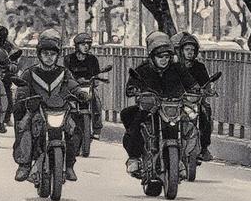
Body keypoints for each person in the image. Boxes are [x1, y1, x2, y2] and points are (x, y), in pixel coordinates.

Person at [12, 31, 88, 183]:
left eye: (52, 54)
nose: (49, 57)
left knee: (73, 129)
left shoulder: (63, 72)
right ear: (39, 54)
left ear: (57, 56)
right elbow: (22, 87)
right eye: (45, 53)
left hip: (60, 110)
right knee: (24, 127)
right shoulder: (30, 73)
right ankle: (24, 164)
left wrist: (80, 92)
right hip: (37, 111)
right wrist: (22, 95)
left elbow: (72, 84)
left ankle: (69, 165)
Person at [121, 31, 198, 177]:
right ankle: (134, 158)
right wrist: (134, 89)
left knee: (189, 124)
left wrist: (197, 89)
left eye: (167, 57)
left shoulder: (177, 68)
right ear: (152, 56)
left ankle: (181, 160)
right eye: (160, 56)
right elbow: (132, 83)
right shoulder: (143, 69)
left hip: (173, 108)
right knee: (132, 118)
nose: (164, 60)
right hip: (150, 108)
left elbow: (190, 83)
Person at [173, 32, 214, 161]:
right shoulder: (174, 66)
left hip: (194, 101)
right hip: (175, 101)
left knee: (205, 113)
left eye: (192, 50)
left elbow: (206, 84)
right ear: (181, 51)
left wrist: (207, 91)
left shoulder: (199, 67)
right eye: (187, 49)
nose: (190, 52)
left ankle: (203, 147)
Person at [64, 32, 103, 136]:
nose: (86, 46)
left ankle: (97, 129)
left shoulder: (93, 59)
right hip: (73, 88)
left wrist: (94, 81)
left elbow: (97, 76)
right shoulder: (69, 59)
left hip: (88, 87)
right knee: (63, 101)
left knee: (97, 101)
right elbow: (66, 75)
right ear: (77, 46)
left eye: (88, 44)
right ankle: (62, 125)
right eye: (83, 44)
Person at [0, 25, 17, 124]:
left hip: (5, 72)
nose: (0, 38)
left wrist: (13, 65)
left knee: (8, 93)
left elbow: (15, 54)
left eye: (2, 36)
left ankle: (7, 118)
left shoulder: (8, 45)